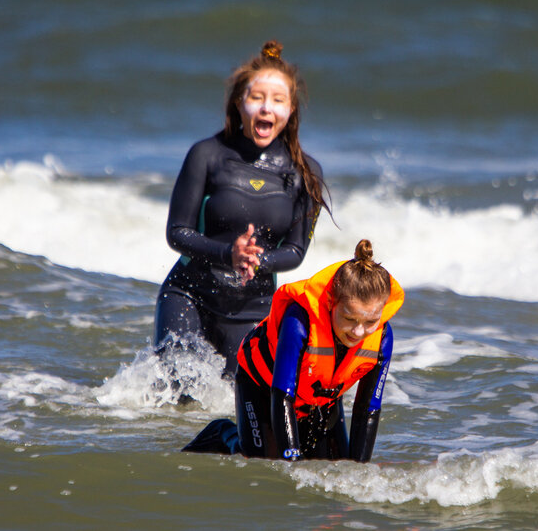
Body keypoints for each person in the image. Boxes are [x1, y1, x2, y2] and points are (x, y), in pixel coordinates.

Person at [154, 40, 328, 373]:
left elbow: (294, 251)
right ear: (239, 103)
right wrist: (227, 254)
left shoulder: (306, 173)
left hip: (253, 309)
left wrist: (257, 259)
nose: (267, 108)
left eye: (278, 100)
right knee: (176, 394)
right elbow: (177, 232)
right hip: (189, 295)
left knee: (238, 404)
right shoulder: (206, 154)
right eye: (256, 97)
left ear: (291, 111)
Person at [183, 240, 404, 462]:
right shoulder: (299, 320)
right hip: (264, 389)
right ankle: (222, 433)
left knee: (338, 468)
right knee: (265, 465)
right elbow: (282, 396)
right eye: (349, 318)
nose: (358, 331)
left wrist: (360, 470)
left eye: (370, 322)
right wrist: (291, 459)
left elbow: (368, 408)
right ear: (330, 302)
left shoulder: (382, 337)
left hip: (319, 399)